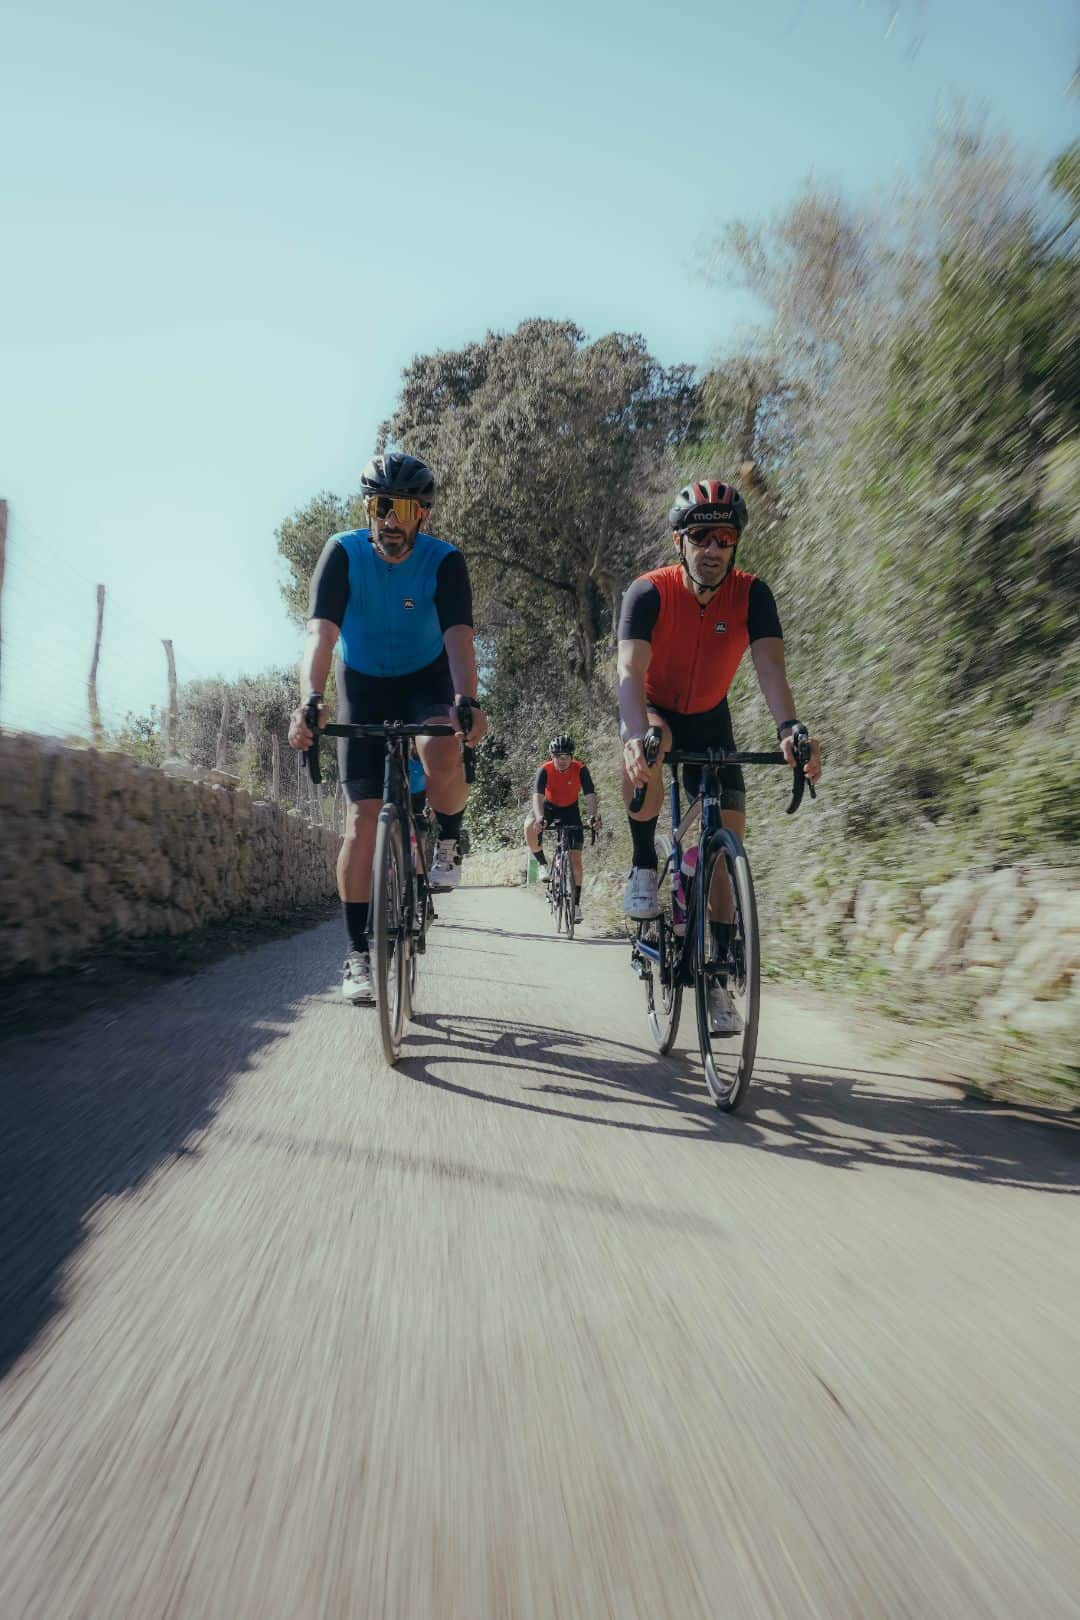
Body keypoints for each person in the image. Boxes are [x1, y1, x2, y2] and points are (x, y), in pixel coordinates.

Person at [617, 478, 821, 1034]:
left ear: (735, 544)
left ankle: (717, 977)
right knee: (650, 751)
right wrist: (635, 736)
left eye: (724, 537)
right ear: (680, 540)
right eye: (700, 535)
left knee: (726, 847)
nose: (712, 549)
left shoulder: (753, 595)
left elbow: (772, 671)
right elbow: (630, 675)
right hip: (657, 710)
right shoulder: (649, 592)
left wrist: (790, 726)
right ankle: (642, 865)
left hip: (712, 719)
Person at [288, 451, 487, 1005]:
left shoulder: (445, 561)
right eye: (380, 506)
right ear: (368, 508)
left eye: (402, 508)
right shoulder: (343, 554)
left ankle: (448, 840)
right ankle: (357, 954)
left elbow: (459, 642)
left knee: (441, 745)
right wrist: (310, 697)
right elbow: (320, 636)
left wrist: (467, 700)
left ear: (422, 514)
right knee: (361, 821)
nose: (390, 519)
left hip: (426, 678)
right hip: (364, 684)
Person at [524, 734, 600, 925]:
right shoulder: (545, 770)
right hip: (548, 808)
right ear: (552, 756)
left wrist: (592, 816)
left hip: (570, 809)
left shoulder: (580, 768)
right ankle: (542, 864)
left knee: (575, 860)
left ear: (571, 756)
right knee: (529, 826)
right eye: (558, 756)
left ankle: (575, 905)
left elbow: (590, 794)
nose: (563, 760)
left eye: (566, 756)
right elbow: (537, 796)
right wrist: (540, 817)